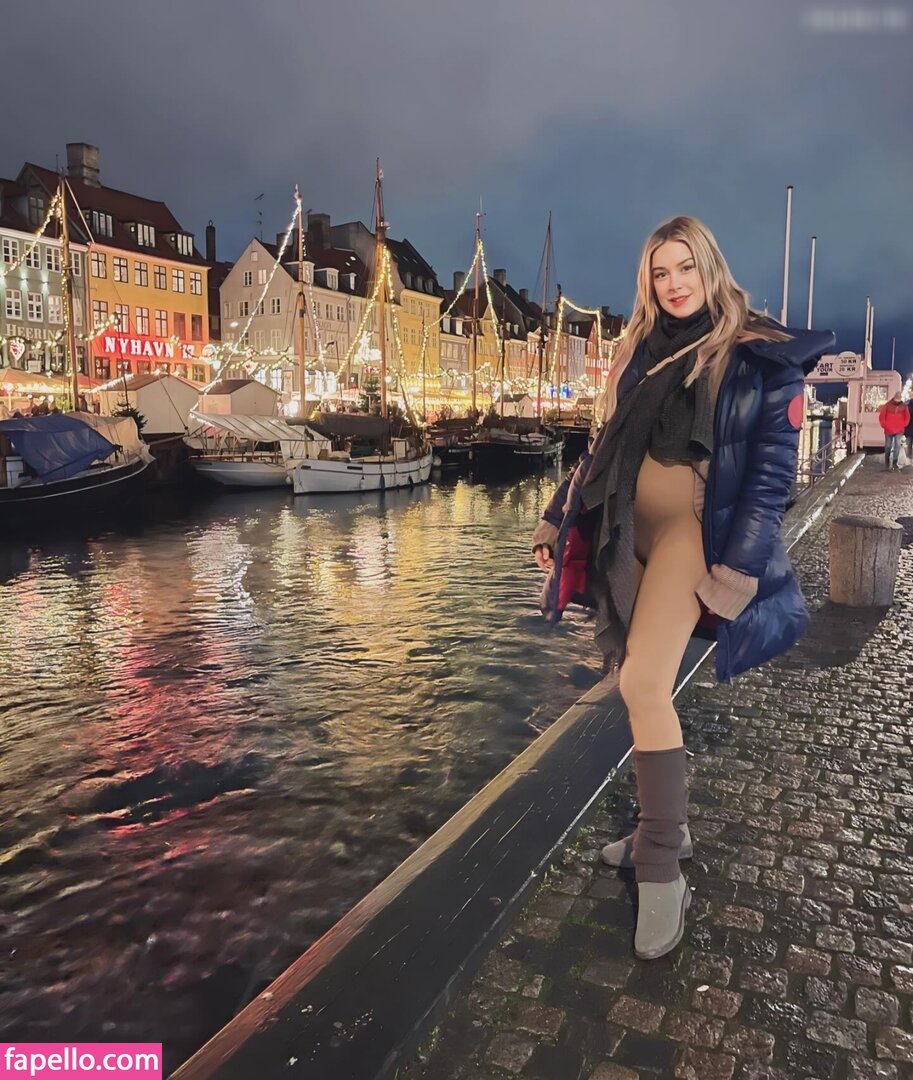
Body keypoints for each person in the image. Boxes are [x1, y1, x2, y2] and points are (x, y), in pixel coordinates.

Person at [531, 216, 835, 961]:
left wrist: (737, 569)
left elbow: (769, 478)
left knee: (642, 682)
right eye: (659, 272)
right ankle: (658, 827)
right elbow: (599, 448)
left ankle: (662, 863)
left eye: (685, 268)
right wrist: (555, 517)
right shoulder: (637, 350)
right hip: (621, 527)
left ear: (709, 267)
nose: (673, 284)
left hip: (685, 533)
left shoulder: (755, 354)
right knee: (632, 673)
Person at [879, 392, 910, 470]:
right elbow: (882, 416)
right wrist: (884, 425)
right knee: (888, 446)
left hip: (898, 429)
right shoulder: (888, 405)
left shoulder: (904, 406)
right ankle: (888, 462)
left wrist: (903, 424)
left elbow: (907, 417)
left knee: (896, 446)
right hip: (889, 429)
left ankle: (893, 463)